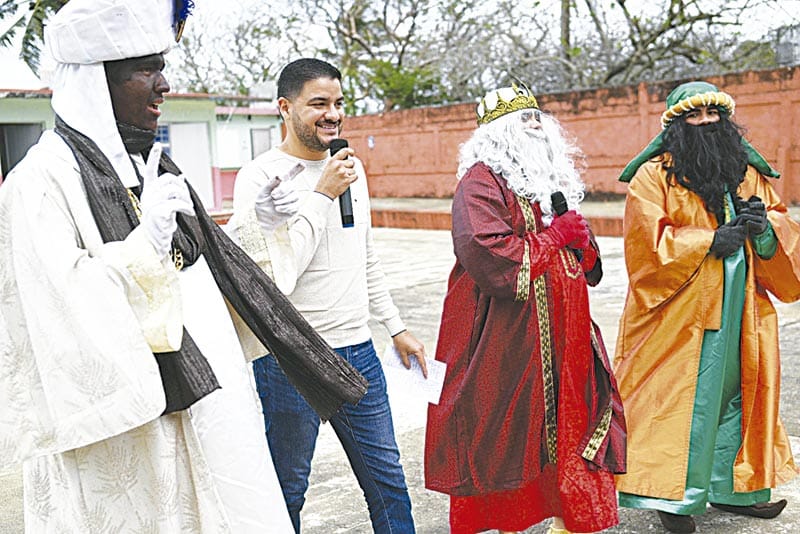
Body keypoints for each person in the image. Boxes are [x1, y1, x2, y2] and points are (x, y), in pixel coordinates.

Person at [0, 1, 367, 532]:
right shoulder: (40, 182)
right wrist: (138, 254)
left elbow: (199, 277)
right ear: (94, 82)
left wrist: (260, 229)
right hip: (134, 440)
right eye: (146, 68)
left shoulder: (152, 166)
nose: (164, 83)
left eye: (162, 66)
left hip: (213, 415)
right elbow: (49, 317)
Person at [227, 57, 426, 533]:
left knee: (388, 482)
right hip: (290, 357)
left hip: (358, 350)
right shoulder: (260, 178)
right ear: (284, 107)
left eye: (338, 103)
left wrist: (395, 327)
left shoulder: (350, 170)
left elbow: (366, 255)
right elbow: (275, 280)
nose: (332, 114)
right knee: (288, 489)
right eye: (318, 103)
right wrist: (320, 195)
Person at [424, 84, 626, 534]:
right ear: (497, 134)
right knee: (503, 431)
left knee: (575, 424)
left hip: (568, 335)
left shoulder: (551, 180)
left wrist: (580, 244)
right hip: (508, 338)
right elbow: (485, 250)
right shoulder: (481, 180)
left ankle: (567, 520)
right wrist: (556, 238)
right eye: (524, 120)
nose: (535, 126)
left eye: (538, 117)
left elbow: (583, 257)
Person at [615, 81, 800, 533]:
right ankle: (672, 497)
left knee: (741, 394)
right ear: (677, 125)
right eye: (694, 117)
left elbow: (779, 222)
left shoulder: (746, 169)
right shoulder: (653, 176)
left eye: (713, 115)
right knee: (684, 400)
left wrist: (762, 229)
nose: (706, 124)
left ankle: (734, 489)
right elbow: (645, 248)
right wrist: (709, 241)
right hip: (680, 310)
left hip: (744, 307)